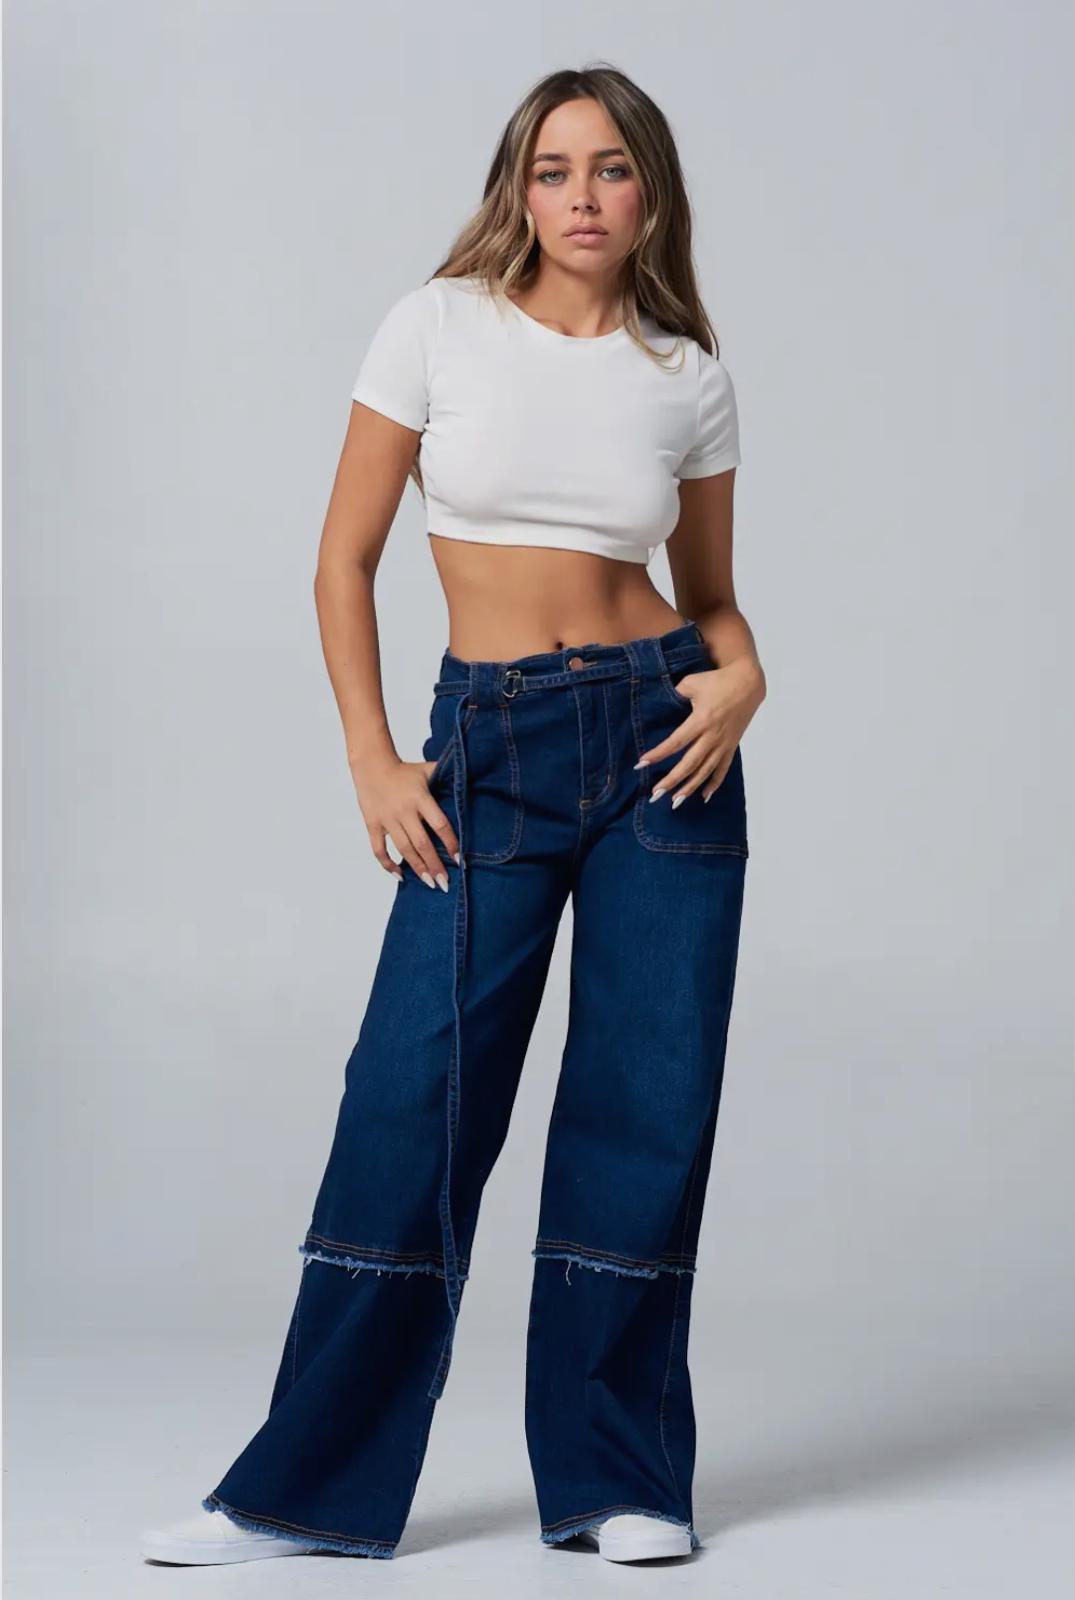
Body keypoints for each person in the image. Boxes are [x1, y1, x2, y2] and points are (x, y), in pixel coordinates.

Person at [141, 63, 766, 1568]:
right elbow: (343, 560)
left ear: (652, 190)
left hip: (664, 744)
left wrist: (744, 678)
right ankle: (297, 1490)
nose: (582, 197)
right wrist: (373, 755)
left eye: (611, 168)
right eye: (554, 170)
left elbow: (716, 604)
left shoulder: (686, 372)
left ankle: (620, 1481)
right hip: (486, 745)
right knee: (410, 1101)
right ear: (518, 189)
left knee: (645, 1104)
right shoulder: (437, 325)